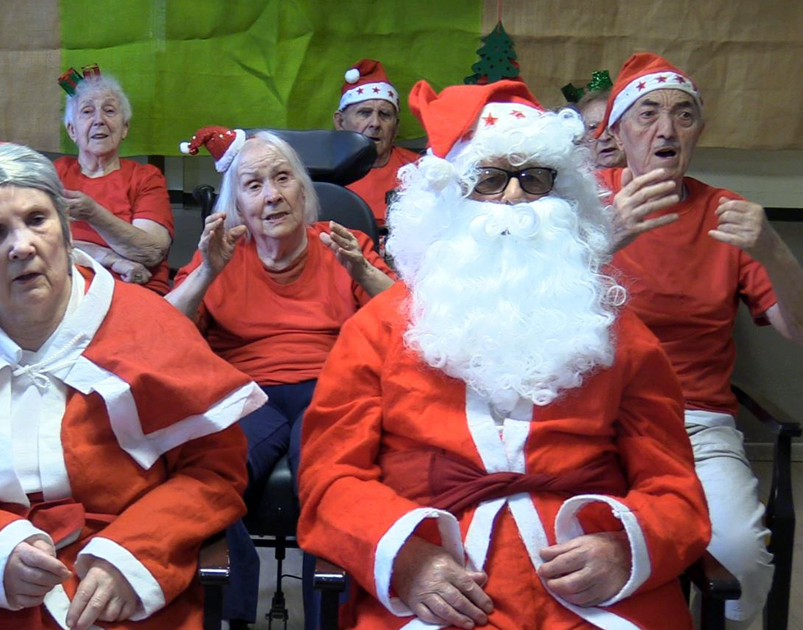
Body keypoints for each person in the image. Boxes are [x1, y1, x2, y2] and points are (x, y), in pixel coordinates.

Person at [298, 79, 711, 630]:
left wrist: (624, 546)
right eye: (488, 180)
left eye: (534, 179)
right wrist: (409, 560)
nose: (514, 198)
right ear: (446, 202)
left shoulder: (617, 331)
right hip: (439, 578)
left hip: (589, 584)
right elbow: (330, 477)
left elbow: (674, 486)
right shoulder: (379, 326)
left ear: (564, 198)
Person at [0, 142, 264, 630]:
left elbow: (213, 472)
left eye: (37, 220)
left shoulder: (150, 328)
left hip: (109, 574)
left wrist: (136, 551)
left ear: (65, 226)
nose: (22, 245)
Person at [595, 53, 803, 626]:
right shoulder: (578, 203)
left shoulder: (725, 214)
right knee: (577, 547)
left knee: (742, 558)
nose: (666, 130)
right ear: (618, 132)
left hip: (693, 423)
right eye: (647, 115)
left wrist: (772, 248)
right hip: (587, 415)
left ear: (699, 132)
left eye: (684, 115)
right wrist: (605, 239)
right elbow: (522, 313)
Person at [173, 126, 396, 627]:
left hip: (331, 385)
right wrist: (206, 272)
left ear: (303, 190)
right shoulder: (222, 253)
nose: (272, 195)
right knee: (207, 471)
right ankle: (235, 609)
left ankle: (330, 614)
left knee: (331, 472)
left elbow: (404, 320)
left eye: (283, 179)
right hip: (247, 394)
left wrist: (361, 271)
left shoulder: (346, 243)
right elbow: (162, 331)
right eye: (254, 185)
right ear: (237, 205)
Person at [54, 66, 174, 294]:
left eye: (109, 111)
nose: (99, 120)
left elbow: (150, 252)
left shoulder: (145, 177)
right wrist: (109, 257)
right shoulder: (55, 174)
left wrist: (93, 214)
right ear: (72, 130)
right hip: (71, 294)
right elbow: (42, 244)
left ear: (124, 127)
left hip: (135, 293)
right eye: (87, 112)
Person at [333, 59, 420, 229]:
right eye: (365, 113)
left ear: (395, 127)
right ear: (340, 122)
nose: (375, 123)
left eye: (385, 115)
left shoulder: (419, 171)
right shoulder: (322, 171)